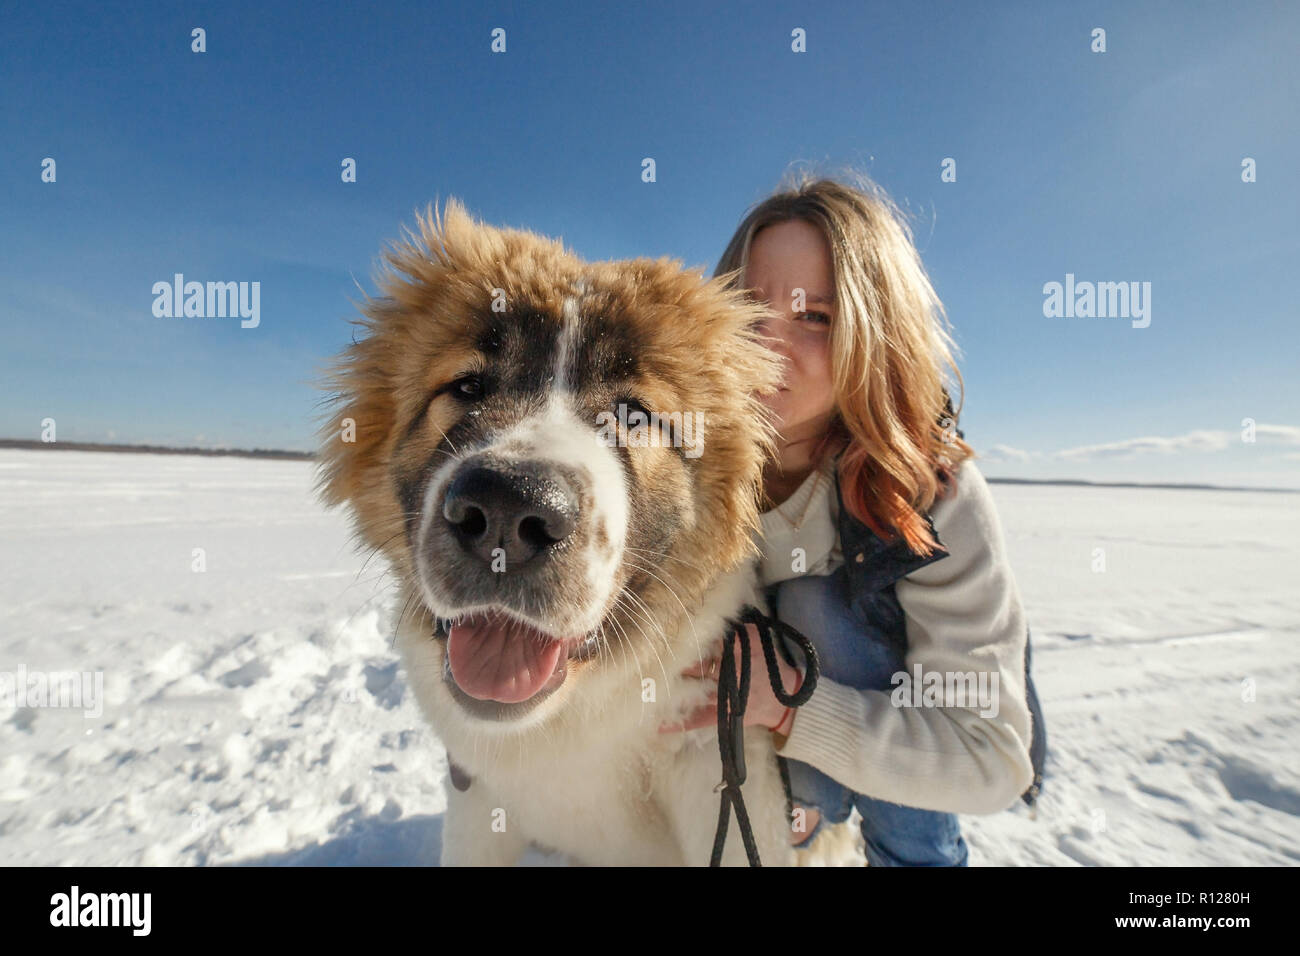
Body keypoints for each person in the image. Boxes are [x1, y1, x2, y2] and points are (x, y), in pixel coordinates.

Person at [661, 170, 1045, 866]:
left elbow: (990, 759)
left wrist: (788, 711)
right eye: (748, 310)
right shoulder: (680, 457)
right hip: (753, 759)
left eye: (815, 318)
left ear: (875, 333)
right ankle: (794, 820)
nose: (766, 349)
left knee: (816, 606)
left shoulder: (933, 491)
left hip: (897, 733)